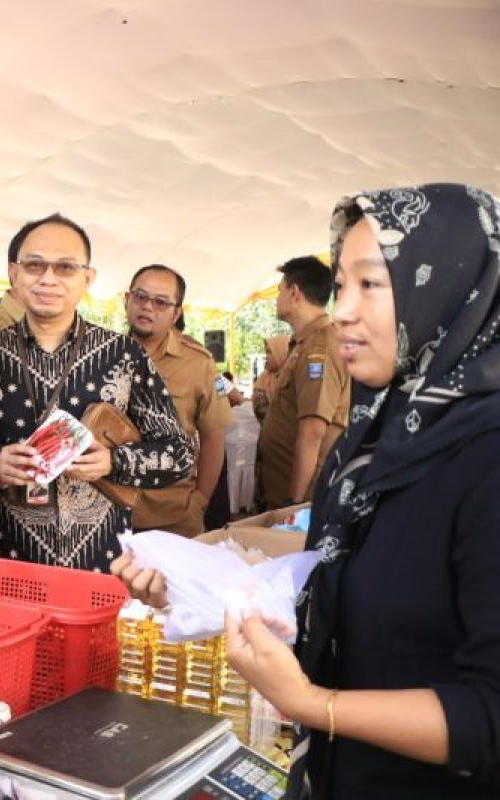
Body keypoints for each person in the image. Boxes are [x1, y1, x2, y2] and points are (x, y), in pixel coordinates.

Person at [115, 184, 500, 798]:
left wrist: (313, 703)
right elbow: (346, 605)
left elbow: (489, 718)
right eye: (341, 285)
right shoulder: (374, 440)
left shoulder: (484, 455)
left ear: (452, 290)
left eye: (370, 285)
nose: (343, 310)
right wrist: (195, 589)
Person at [0, 214, 193, 571]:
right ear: (14, 273)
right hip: (3, 557)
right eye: (35, 265)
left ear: (88, 278)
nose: (49, 278)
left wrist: (114, 462)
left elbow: (179, 453)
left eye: (66, 267)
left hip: (101, 561)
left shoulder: (123, 355)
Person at [125, 264, 232, 537]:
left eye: (161, 302)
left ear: (176, 313)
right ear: (126, 300)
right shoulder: (102, 356)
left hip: (172, 516)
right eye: (140, 296)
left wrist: (199, 502)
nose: (147, 307)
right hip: (110, 511)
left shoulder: (199, 363)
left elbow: (213, 437)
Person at [257, 256, 350, 508]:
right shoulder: (304, 344)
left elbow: (313, 431)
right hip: (285, 490)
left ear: (295, 292)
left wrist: (294, 502)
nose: (277, 299)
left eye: (280, 291)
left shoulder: (319, 347)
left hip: (301, 501)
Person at [253, 335, 290, 422]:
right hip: (272, 430)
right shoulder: (264, 378)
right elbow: (260, 411)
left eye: (269, 352)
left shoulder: (295, 375)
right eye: (266, 352)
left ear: (282, 352)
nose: (266, 356)